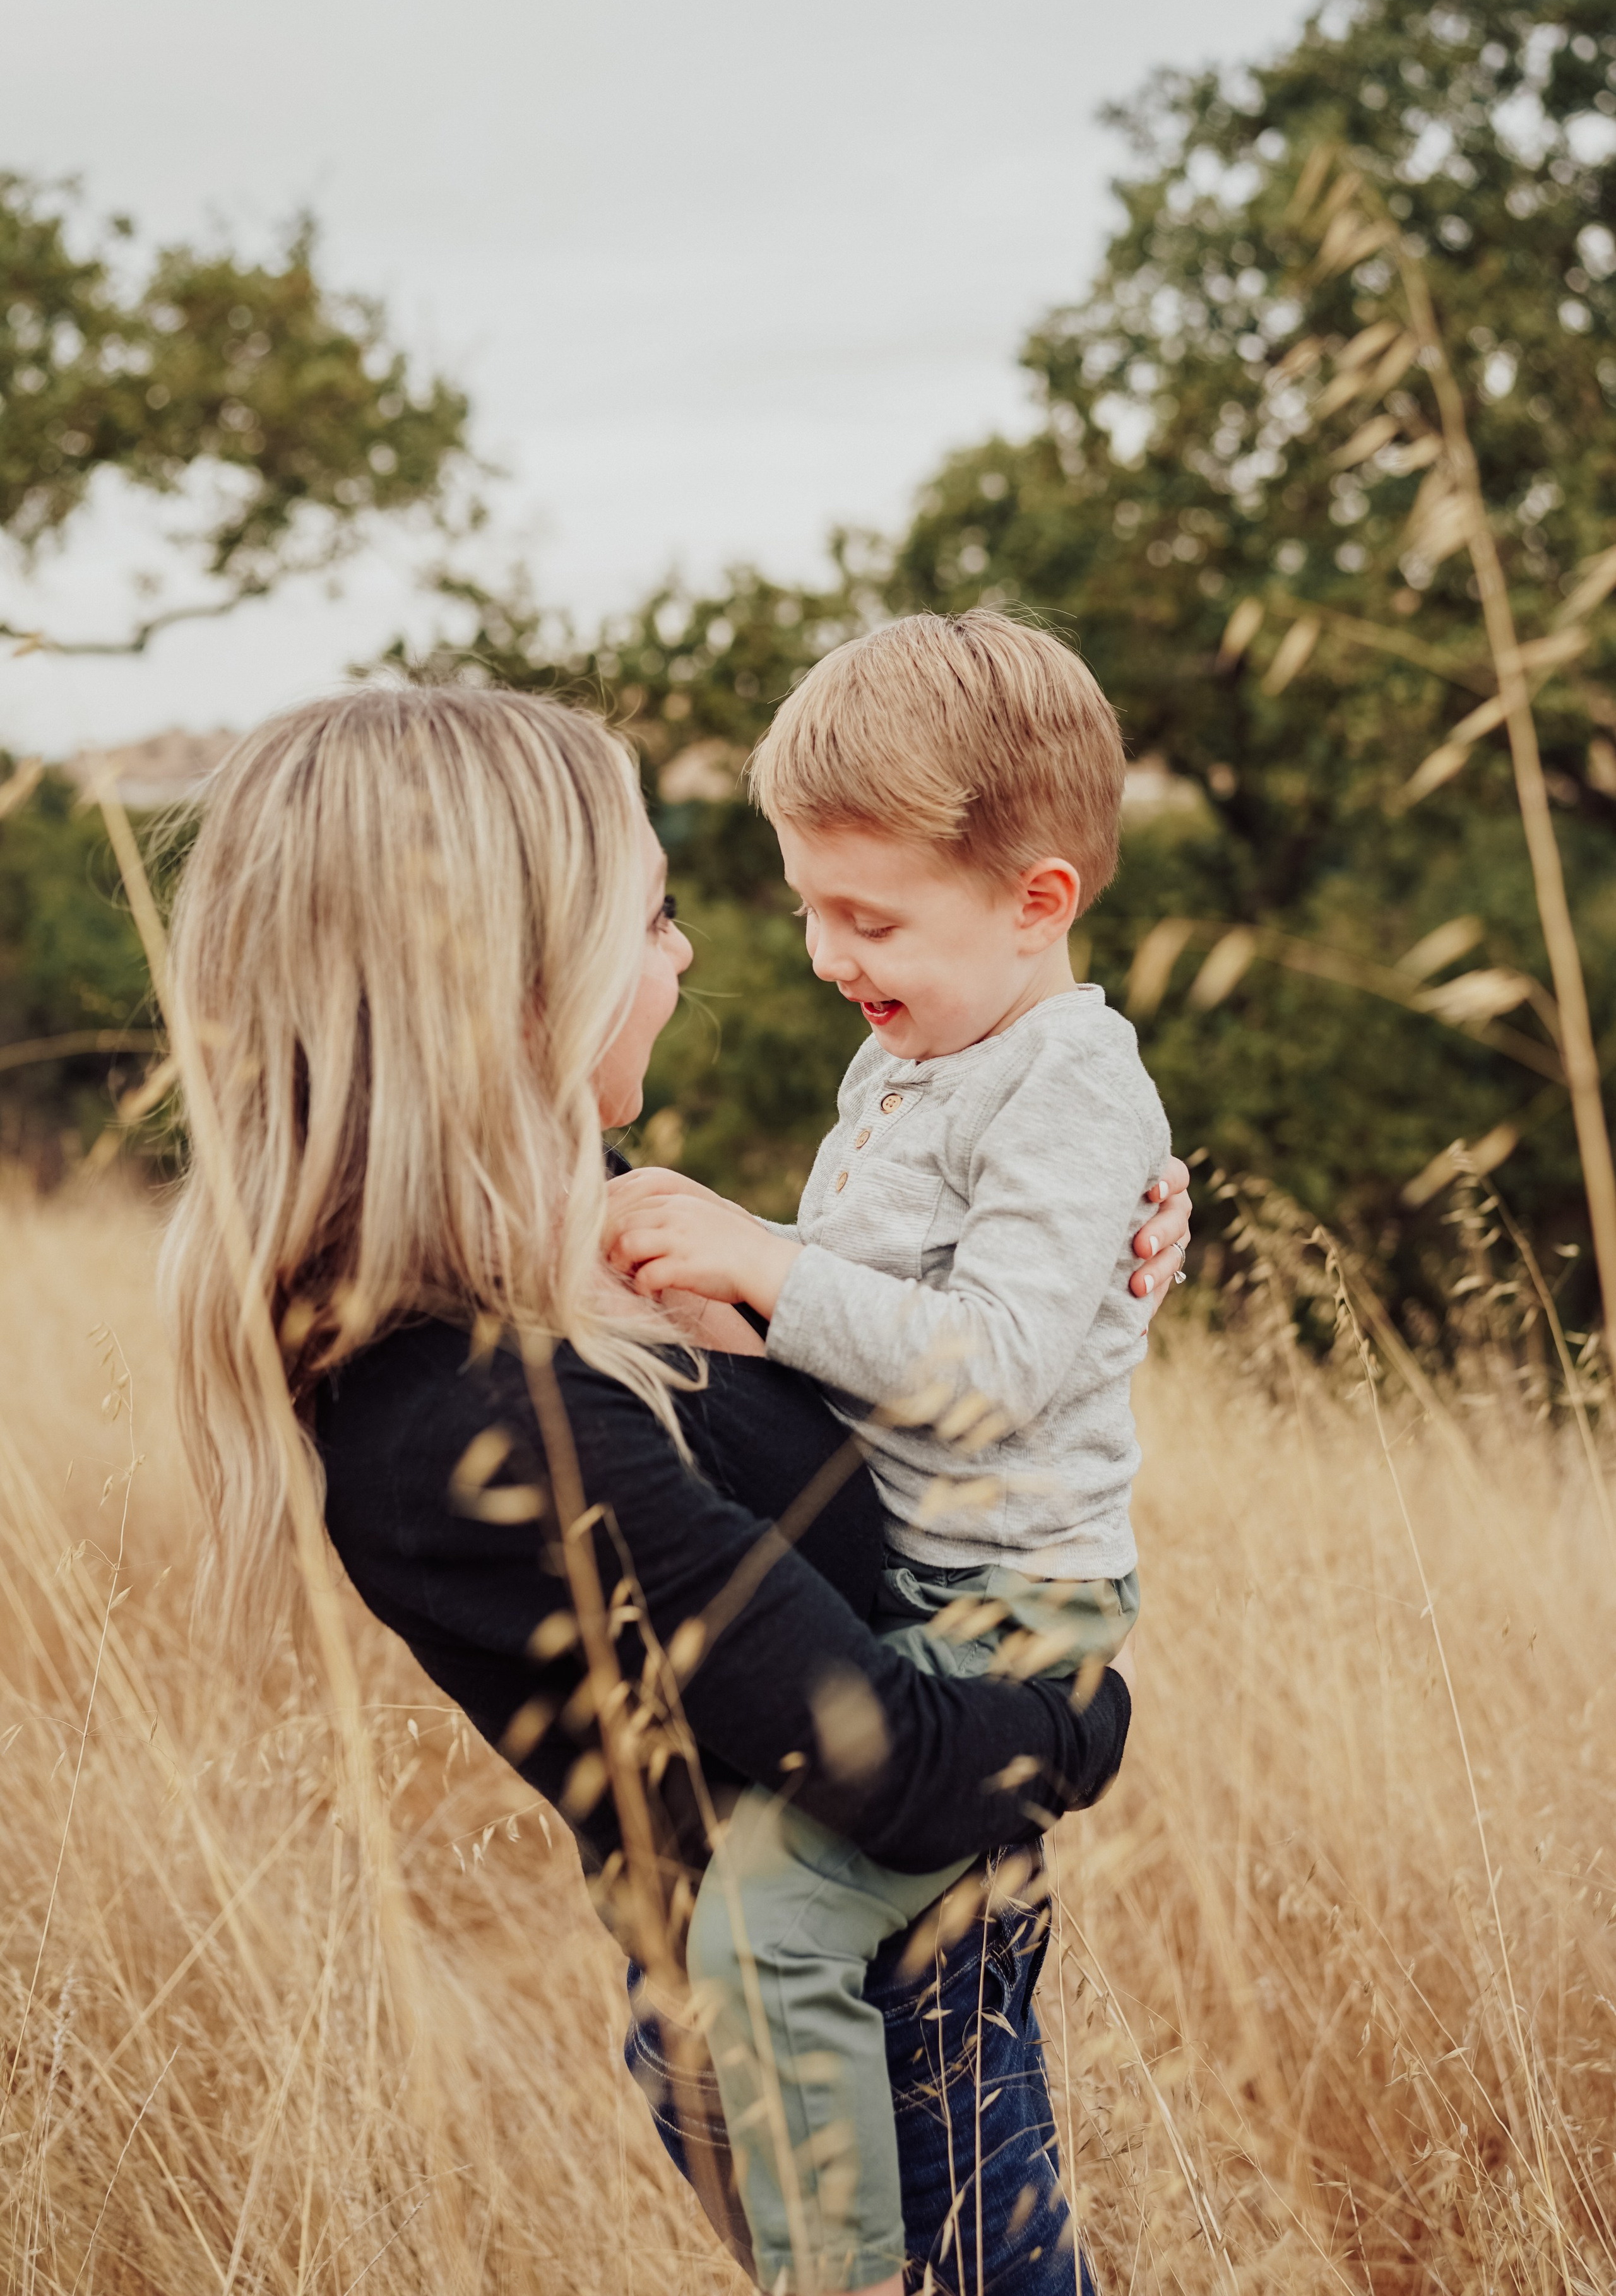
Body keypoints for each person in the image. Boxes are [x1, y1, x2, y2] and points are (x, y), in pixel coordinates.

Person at [157, 682, 1192, 2292]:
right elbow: (897, 1765)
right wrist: (1089, 1715)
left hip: (911, 2000)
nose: (696, 953)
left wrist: (1074, 1251)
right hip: (851, 2058)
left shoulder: (585, 1249)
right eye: (652, 912)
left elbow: (915, 1385)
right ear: (514, 975)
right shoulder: (463, 1408)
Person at [605, 611, 1170, 2296]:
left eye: (867, 918)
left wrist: (763, 1261)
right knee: (862, 1998)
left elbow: (988, 1367)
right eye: (802, 907)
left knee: (779, 1943)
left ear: (1037, 901)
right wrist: (711, 1272)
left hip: (1010, 1605)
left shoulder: (1068, 1082)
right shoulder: (924, 1049)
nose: (821, 953)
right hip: (906, 1586)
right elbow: (889, 1301)